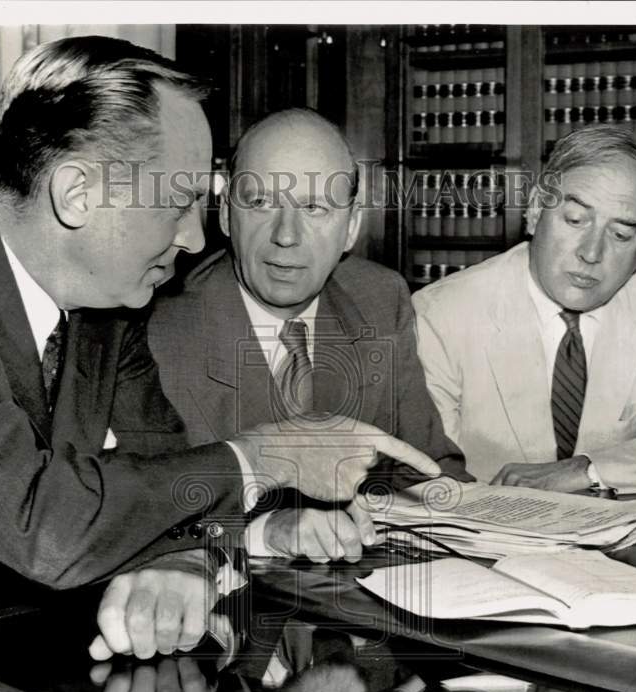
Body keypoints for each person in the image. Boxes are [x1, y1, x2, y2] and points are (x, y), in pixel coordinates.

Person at [0, 37, 439, 692]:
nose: (193, 239)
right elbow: (41, 522)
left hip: (35, 677)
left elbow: (171, 471)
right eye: (179, 202)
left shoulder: (110, 300)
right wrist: (267, 456)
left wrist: (191, 557)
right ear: (76, 193)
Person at [147, 108, 469, 563]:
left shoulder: (379, 297)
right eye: (260, 203)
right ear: (225, 215)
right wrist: (265, 529)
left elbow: (428, 473)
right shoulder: (160, 323)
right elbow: (133, 512)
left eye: (315, 207)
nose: (286, 236)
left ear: (351, 226)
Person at [413, 126, 636, 493]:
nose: (591, 253)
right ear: (535, 211)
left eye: (621, 235)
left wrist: (589, 469)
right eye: (575, 220)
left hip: (612, 541)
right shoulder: (442, 313)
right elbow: (428, 478)